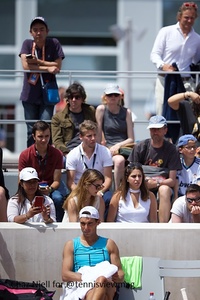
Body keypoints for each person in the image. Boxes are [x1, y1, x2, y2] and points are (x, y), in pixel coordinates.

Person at [61, 206, 124, 300]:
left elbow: (120, 273)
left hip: (107, 284)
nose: (86, 228)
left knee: (102, 280)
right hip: (83, 285)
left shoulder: (109, 244)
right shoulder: (71, 245)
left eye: (90, 223)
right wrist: (91, 277)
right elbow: (65, 275)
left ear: (98, 222)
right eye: (83, 224)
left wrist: (117, 277)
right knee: (99, 285)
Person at [19, 16, 65, 147]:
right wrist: (47, 67)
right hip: (29, 94)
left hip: (48, 94)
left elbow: (58, 66)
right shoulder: (27, 44)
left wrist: (38, 62)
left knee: (45, 128)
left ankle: (46, 159)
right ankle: (31, 160)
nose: (38, 32)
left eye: (41, 29)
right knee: (30, 131)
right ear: (31, 32)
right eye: (35, 30)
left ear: (47, 31)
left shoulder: (54, 43)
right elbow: (26, 66)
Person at [128, 115, 182, 223]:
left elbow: (172, 180)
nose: (155, 132)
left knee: (165, 190)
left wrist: (156, 184)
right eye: (152, 129)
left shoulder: (172, 150)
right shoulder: (140, 146)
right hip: (140, 182)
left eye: (158, 129)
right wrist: (143, 183)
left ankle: (162, 227)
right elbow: (131, 173)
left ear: (165, 130)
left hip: (162, 184)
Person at [150, 2, 200, 116]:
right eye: (186, 17)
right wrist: (163, 65)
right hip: (165, 80)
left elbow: (197, 61)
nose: (189, 20)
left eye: (192, 18)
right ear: (179, 17)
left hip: (186, 83)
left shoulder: (197, 39)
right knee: (162, 113)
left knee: (186, 116)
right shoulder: (166, 32)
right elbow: (154, 54)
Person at [18, 121, 67, 222]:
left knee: (58, 199)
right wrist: (34, 188)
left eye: (47, 136)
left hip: (50, 187)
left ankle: (57, 225)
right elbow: (20, 180)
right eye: (40, 136)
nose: (44, 140)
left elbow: (56, 181)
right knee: (19, 200)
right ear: (34, 136)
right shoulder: (25, 155)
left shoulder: (57, 154)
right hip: (31, 186)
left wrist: (49, 190)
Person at [66, 120, 113, 220]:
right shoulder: (73, 154)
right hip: (80, 189)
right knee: (71, 200)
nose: (93, 139)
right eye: (89, 136)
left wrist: (99, 191)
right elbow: (70, 182)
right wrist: (81, 193)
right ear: (81, 137)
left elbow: (108, 178)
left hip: (100, 187)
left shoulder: (105, 151)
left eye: (94, 135)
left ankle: (105, 225)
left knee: (108, 199)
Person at [96, 83, 134, 190]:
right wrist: (101, 149)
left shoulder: (127, 112)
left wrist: (117, 146)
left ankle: (118, 191)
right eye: (110, 95)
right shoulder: (101, 110)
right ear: (105, 97)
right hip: (106, 147)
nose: (113, 97)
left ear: (120, 97)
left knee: (119, 161)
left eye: (116, 95)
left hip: (123, 148)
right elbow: (98, 134)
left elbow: (131, 138)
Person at [51, 82, 96, 157]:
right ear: (67, 99)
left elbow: (97, 130)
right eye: (71, 97)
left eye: (77, 97)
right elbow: (57, 141)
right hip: (69, 150)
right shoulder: (57, 118)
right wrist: (67, 153)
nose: (74, 100)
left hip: (89, 148)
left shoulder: (90, 111)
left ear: (82, 99)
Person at [175, 134, 200, 199]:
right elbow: (175, 182)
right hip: (180, 197)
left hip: (195, 197)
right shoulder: (177, 163)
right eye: (188, 147)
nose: (192, 149)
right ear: (180, 150)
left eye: (194, 147)